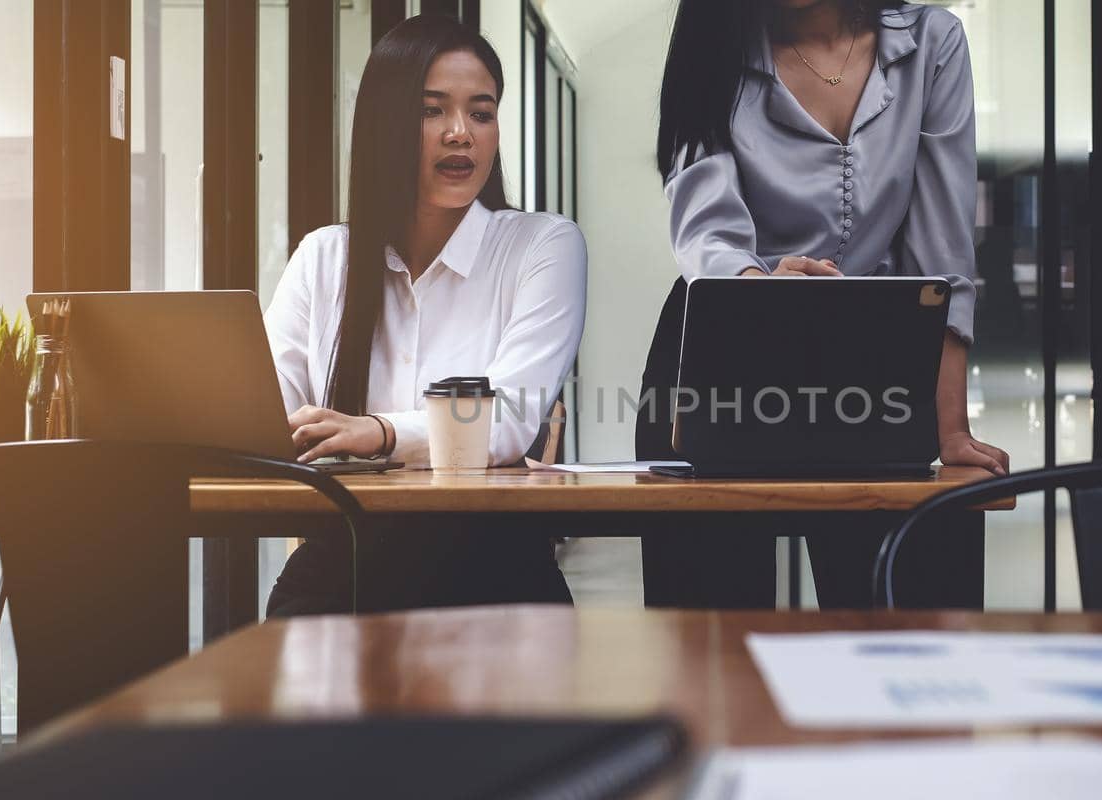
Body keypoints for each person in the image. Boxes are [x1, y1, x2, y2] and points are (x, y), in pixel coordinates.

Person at [638, 0, 1008, 608]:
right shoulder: (713, 52)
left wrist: (950, 427)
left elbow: (941, 251)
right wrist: (761, 289)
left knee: (905, 628)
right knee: (712, 652)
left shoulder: (931, 42)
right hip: (722, 351)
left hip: (877, 357)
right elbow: (708, 234)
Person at [264, 15, 587, 615]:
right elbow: (269, 419)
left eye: (481, 112)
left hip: (493, 574)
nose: (460, 133)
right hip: (344, 567)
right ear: (385, 124)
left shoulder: (543, 246)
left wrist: (380, 432)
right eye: (431, 110)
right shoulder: (323, 256)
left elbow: (509, 419)